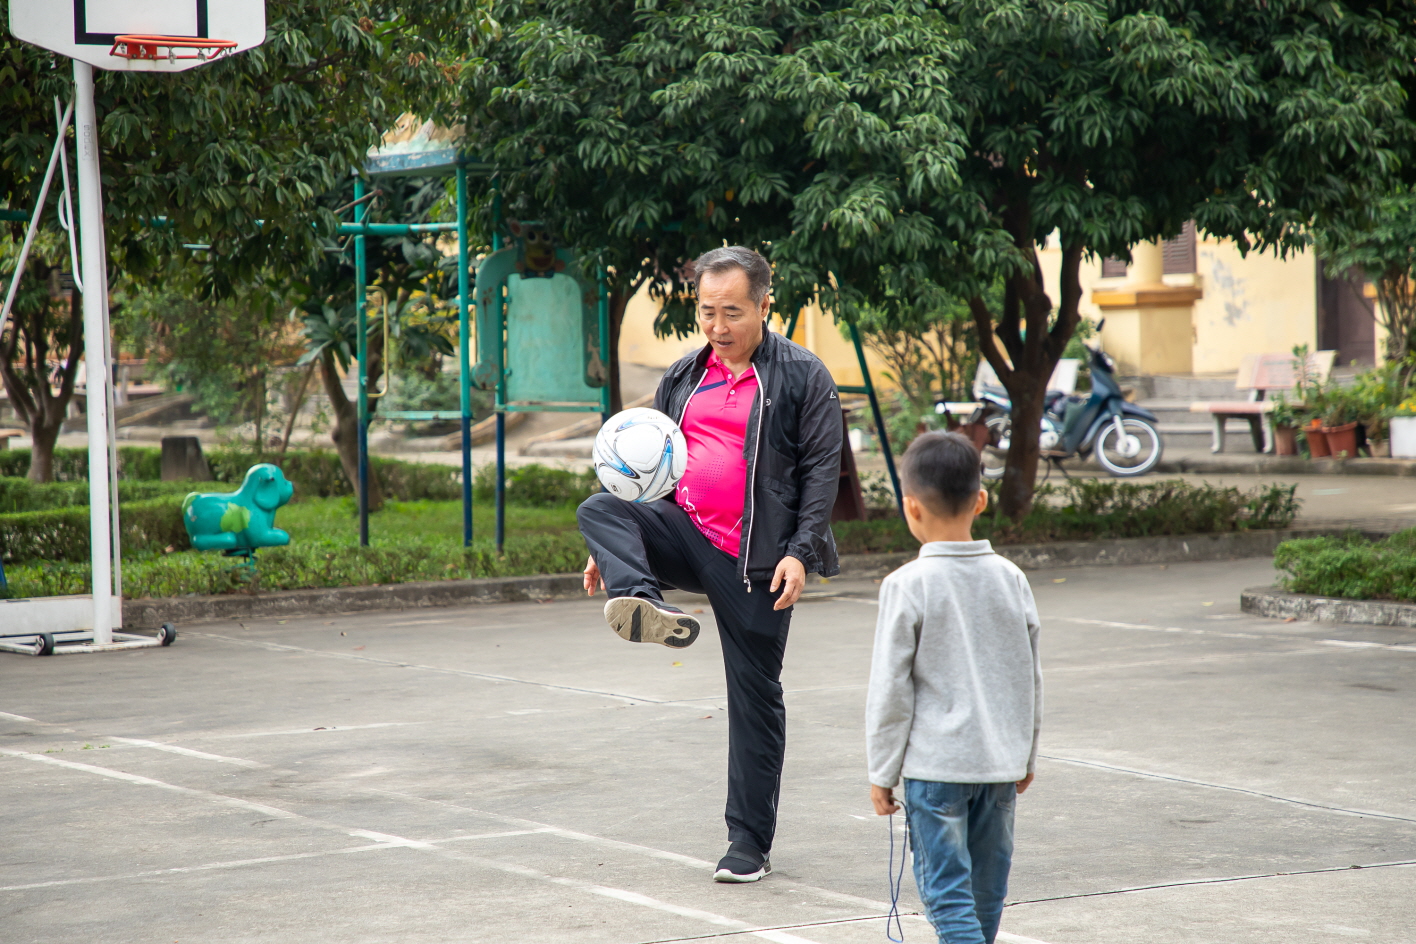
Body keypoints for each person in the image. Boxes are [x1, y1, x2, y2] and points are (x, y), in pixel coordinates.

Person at [577, 245, 843, 883]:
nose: (717, 327)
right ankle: (641, 599)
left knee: (755, 697)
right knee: (601, 508)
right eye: (706, 312)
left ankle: (748, 843)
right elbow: (651, 471)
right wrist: (616, 548)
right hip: (688, 534)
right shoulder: (683, 375)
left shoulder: (802, 376)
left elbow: (821, 472)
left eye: (732, 312)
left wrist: (799, 552)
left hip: (758, 560)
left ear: (764, 305)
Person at [865, 431, 1042, 944]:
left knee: (948, 898)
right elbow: (1029, 676)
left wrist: (882, 772)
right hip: (998, 767)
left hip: (935, 770)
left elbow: (890, 689)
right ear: (980, 501)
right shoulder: (1012, 578)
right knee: (985, 896)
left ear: (911, 507)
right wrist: (1026, 753)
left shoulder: (907, 584)